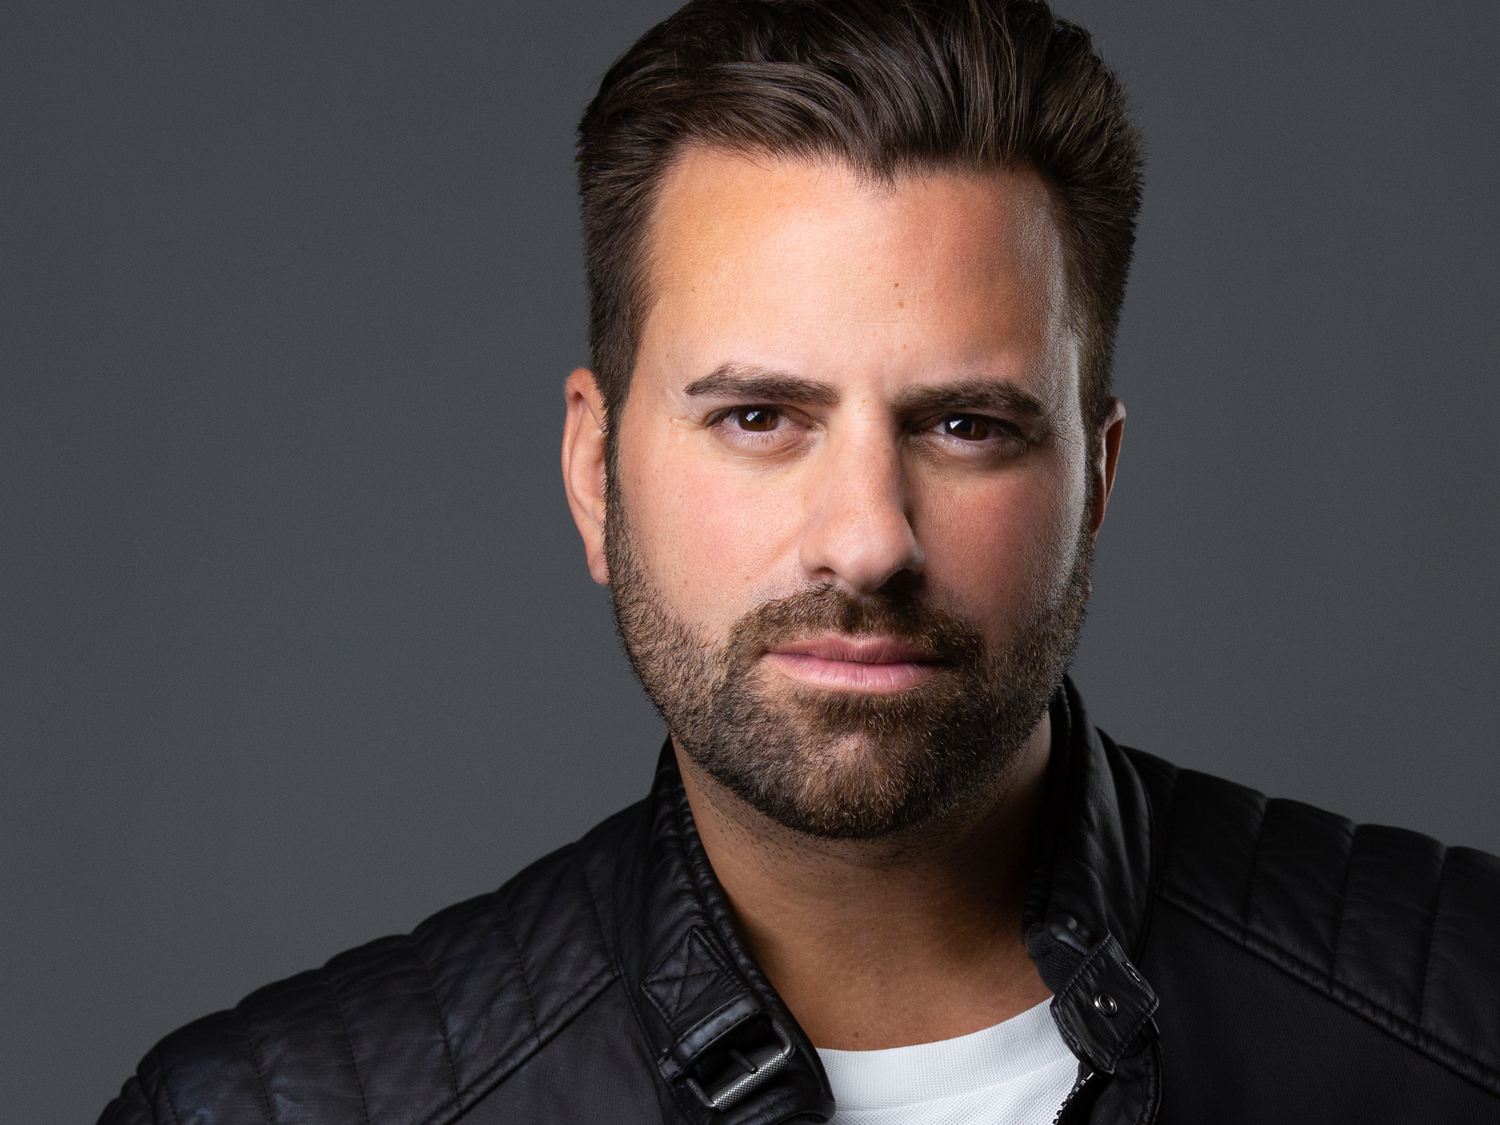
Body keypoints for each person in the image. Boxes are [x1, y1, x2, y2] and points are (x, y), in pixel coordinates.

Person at [99, 1, 1500, 1123]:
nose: (868, 539)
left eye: (966, 425)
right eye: (760, 417)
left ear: (1098, 480)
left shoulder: (1464, 1027)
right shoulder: (267, 1110)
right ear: (594, 472)